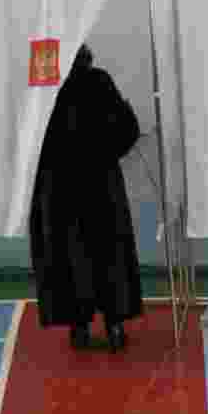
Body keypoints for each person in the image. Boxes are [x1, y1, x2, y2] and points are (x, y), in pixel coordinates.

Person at [28, 44, 144, 352]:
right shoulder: (99, 81)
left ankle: (79, 329)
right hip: (100, 186)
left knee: (69, 258)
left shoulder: (46, 90)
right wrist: (105, 154)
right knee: (109, 255)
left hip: (59, 190)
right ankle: (115, 327)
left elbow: (30, 143)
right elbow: (128, 130)